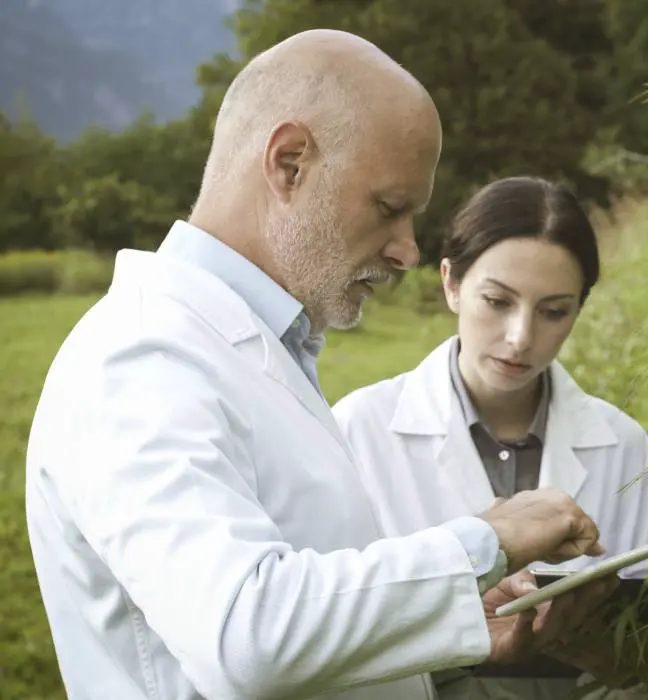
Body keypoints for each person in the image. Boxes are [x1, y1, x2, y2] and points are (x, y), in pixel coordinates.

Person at [24, 30, 615, 700]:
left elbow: (303, 623)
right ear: (289, 163)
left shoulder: (257, 349)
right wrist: (486, 541)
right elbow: (246, 634)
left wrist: (447, 630)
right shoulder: (139, 358)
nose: (406, 252)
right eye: (390, 209)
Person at [330, 176, 648, 699]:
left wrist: (610, 656)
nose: (520, 338)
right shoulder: (359, 428)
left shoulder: (623, 445)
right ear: (451, 284)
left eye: (553, 311)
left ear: (579, 310)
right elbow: (330, 631)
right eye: (497, 301)